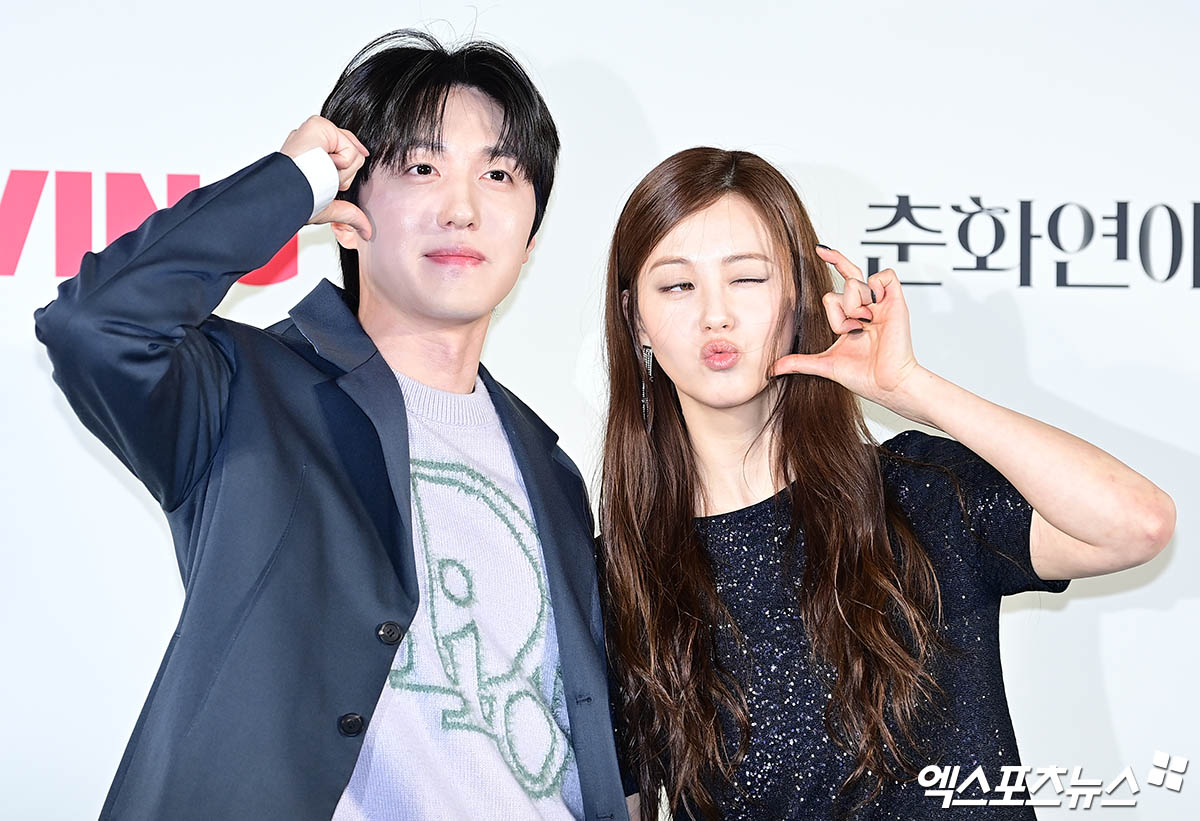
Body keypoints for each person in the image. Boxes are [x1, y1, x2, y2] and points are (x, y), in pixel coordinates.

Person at [34, 30, 633, 821]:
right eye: (421, 168)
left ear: (529, 239)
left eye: (498, 174)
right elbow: (94, 325)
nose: (462, 208)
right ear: (348, 213)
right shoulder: (249, 391)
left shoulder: (551, 470)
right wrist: (290, 184)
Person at [597, 147, 1176, 820]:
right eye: (677, 286)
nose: (715, 315)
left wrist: (911, 388)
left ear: (798, 298)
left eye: (747, 278)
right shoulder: (619, 577)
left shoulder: (917, 495)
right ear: (636, 319)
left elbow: (1137, 522)